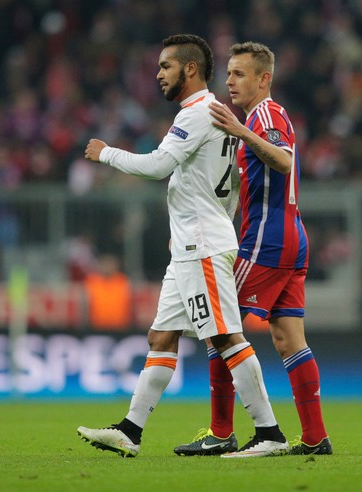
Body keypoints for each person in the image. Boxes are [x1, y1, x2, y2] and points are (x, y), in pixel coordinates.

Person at [76, 34, 288, 459]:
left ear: (189, 69)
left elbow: (157, 165)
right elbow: (227, 191)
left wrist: (106, 154)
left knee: (226, 337)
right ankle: (130, 431)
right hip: (192, 244)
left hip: (202, 247)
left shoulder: (197, 113)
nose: (158, 74)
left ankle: (270, 432)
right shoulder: (219, 114)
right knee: (161, 336)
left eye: (165, 66)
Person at [173, 42, 332, 457]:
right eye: (227, 74)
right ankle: (316, 437)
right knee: (288, 338)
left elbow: (283, 160)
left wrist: (241, 132)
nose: (229, 81)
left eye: (239, 74)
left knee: (220, 328)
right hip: (289, 237)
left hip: (268, 240)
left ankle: (224, 430)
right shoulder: (257, 119)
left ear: (264, 79)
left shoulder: (265, 115)